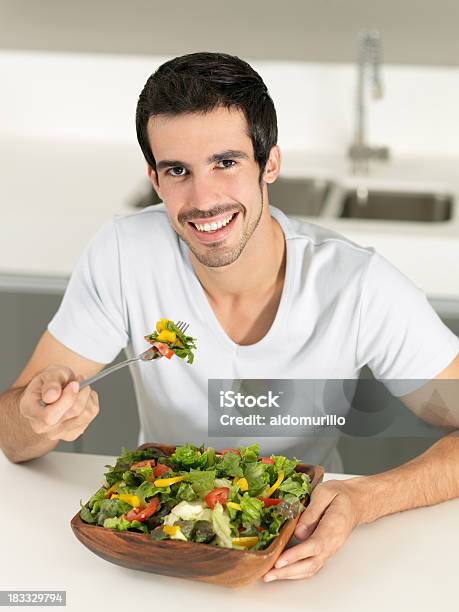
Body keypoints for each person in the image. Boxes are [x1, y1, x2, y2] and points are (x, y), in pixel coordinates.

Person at [1, 52, 458, 582]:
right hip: (159, 554)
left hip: (292, 557)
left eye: (226, 162)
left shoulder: (359, 288)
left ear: (271, 163)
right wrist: (36, 418)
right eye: (178, 171)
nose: (203, 200)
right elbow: (13, 435)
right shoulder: (124, 255)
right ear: (154, 178)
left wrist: (364, 497)